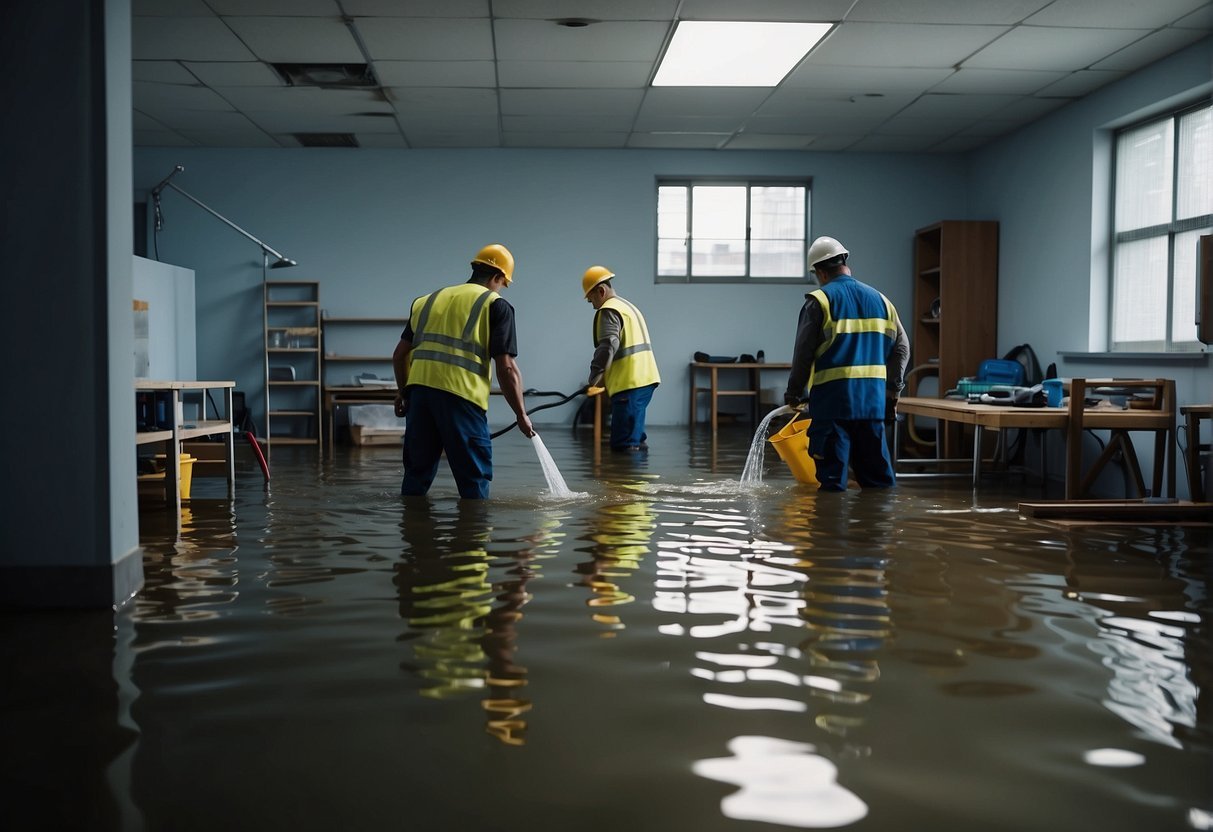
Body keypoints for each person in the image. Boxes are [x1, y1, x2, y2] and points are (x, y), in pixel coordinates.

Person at [392, 243, 535, 499]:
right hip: (462, 399)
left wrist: (404, 394)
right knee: (474, 483)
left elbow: (399, 354)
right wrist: (521, 414)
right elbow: (506, 367)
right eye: (503, 283)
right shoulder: (496, 305)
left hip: (420, 398)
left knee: (415, 478)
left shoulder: (426, 301)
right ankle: (473, 536)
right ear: (497, 277)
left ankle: (414, 534)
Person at [783, 236, 909, 491]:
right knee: (879, 485)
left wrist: (795, 394)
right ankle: (878, 529)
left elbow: (803, 354)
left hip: (833, 408)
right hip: (872, 406)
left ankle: (830, 531)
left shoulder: (819, 301)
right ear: (845, 263)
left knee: (832, 485)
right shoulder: (883, 301)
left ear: (820, 272)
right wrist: (892, 393)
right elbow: (902, 349)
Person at [581, 265, 661, 452]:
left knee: (624, 445)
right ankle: (638, 479)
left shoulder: (608, 310)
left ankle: (626, 480)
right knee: (636, 441)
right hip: (644, 381)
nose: (591, 304)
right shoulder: (627, 306)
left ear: (600, 291)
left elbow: (608, 345)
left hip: (630, 383)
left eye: (590, 298)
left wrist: (594, 378)